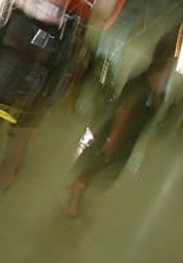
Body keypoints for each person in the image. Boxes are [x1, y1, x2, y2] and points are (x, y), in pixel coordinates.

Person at [62, 48, 173, 217]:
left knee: (98, 169)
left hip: (125, 139)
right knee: (94, 168)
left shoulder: (153, 92)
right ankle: (72, 206)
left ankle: (70, 194)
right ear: (160, 69)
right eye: (168, 70)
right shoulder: (141, 85)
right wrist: (113, 139)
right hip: (116, 135)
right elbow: (124, 111)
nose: (169, 75)